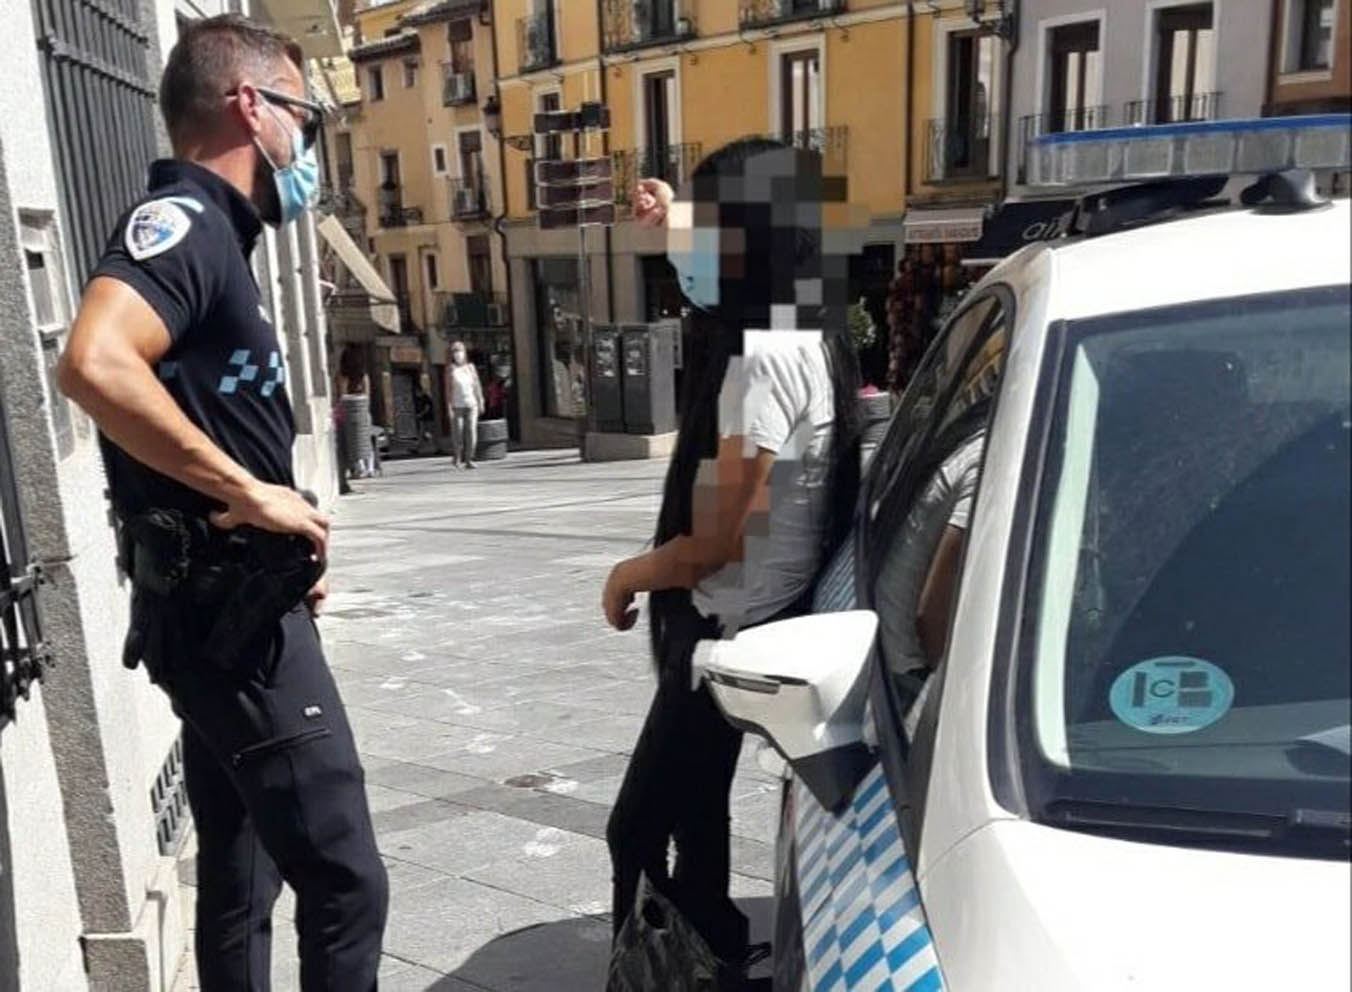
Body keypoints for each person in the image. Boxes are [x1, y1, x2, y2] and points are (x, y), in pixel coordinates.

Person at [56, 15, 387, 991]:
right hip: (235, 628)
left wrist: (278, 515)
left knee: (242, 879)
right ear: (253, 105)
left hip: (223, 609)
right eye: (307, 118)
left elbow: (196, 405)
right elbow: (93, 360)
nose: (308, 147)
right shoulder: (187, 225)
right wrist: (248, 493)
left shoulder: (215, 237)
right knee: (347, 881)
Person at [601, 140, 863, 969]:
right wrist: (674, 214)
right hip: (770, 608)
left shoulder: (758, 363)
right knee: (695, 807)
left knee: (634, 830)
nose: (696, 247)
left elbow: (713, 544)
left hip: (731, 627)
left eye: (709, 228)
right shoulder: (811, 331)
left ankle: (656, 974)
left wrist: (628, 574)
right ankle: (711, 946)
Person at [448, 340, 485, 469]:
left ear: (465, 353)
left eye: (460, 350)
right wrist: (449, 406)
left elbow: (477, 386)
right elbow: (448, 389)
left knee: (471, 432)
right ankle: (457, 457)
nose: (458, 354)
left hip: (471, 404)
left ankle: (469, 459)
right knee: (458, 432)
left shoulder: (471, 368)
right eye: (455, 351)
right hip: (457, 406)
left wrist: (480, 401)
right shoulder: (451, 369)